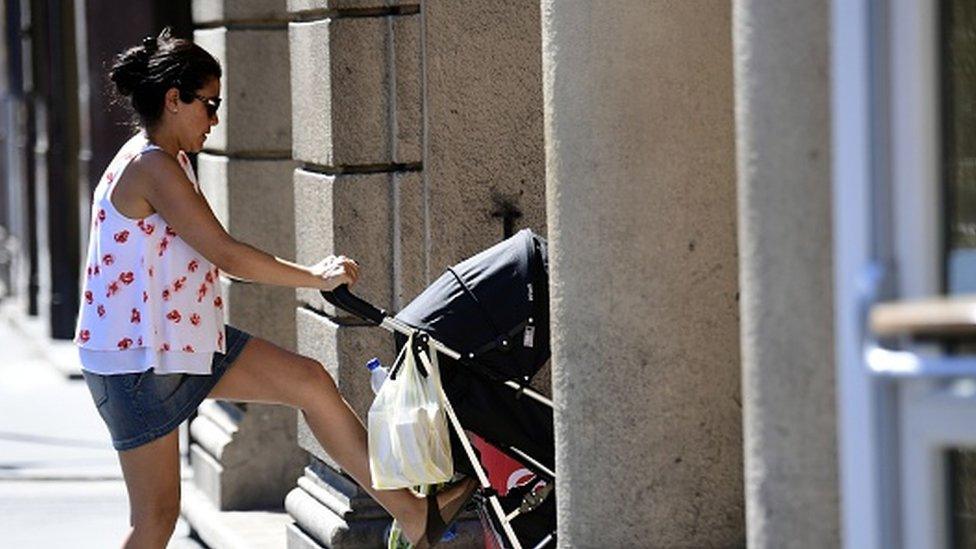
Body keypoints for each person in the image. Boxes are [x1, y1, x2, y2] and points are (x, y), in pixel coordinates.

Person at [75, 29, 475, 549]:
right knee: (155, 521)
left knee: (309, 381)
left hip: (181, 348)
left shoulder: (165, 159)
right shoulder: (149, 164)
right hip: (135, 366)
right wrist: (316, 276)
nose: (216, 119)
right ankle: (414, 515)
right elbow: (227, 255)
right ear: (174, 100)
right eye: (209, 104)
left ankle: (415, 515)